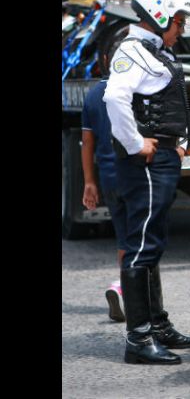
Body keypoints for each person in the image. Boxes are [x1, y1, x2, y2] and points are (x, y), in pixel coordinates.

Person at [103, 0, 190, 365]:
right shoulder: (133, 49)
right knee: (141, 246)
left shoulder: (154, 49)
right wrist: (135, 143)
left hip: (159, 159)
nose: (181, 29)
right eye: (179, 21)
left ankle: (157, 325)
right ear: (160, 15)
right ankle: (139, 339)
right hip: (144, 162)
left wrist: (177, 145)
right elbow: (115, 98)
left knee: (153, 241)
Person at [81, 77, 127, 323]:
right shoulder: (139, 86)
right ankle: (126, 288)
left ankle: (125, 286)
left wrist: (89, 182)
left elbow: (88, 142)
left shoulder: (94, 94)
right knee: (144, 238)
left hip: (109, 176)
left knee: (124, 237)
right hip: (136, 174)